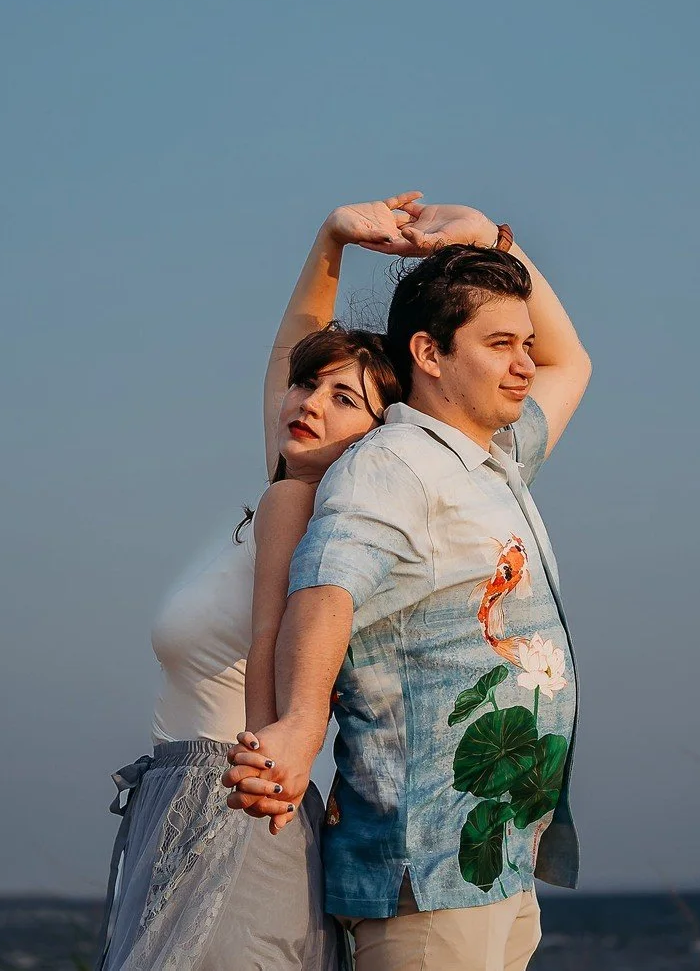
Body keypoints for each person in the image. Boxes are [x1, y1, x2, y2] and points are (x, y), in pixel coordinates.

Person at [225, 207, 592, 971]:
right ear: (428, 352)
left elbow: (571, 363)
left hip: (491, 858)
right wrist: (296, 725)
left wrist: (494, 241)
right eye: (499, 346)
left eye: (522, 344)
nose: (524, 363)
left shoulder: (493, 457)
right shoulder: (392, 463)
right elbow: (326, 585)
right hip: (420, 864)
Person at [97, 194, 426, 971]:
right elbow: (290, 348)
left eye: (343, 397)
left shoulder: (318, 514)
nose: (308, 401)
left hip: (239, 798)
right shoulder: (285, 489)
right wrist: (333, 239)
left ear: (382, 436)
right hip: (181, 794)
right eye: (307, 386)